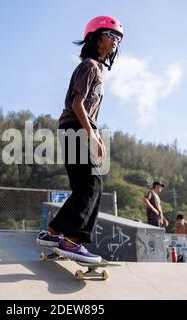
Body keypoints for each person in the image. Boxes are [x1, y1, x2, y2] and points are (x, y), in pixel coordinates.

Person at [36, 16, 124, 263]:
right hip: (75, 127)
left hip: (74, 127)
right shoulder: (90, 66)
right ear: (96, 37)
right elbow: (77, 103)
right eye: (112, 35)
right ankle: (72, 241)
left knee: (83, 187)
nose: (116, 41)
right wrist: (92, 134)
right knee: (92, 185)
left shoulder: (96, 68)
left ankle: (53, 233)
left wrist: (95, 132)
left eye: (119, 38)